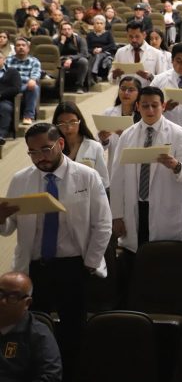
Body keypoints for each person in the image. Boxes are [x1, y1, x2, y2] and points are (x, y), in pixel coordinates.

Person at [0, 123, 110, 379]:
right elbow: (8, 228)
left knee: (73, 331)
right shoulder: (21, 179)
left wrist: (89, 263)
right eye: (33, 152)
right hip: (34, 267)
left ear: (60, 144)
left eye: (45, 150)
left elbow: (103, 224)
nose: (40, 157)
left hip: (74, 264)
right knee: (32, 329)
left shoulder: (86, 176)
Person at [109, 87, 182, 257]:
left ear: (163, 106)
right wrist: (117, 215)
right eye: (145, 105)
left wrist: (176, 166)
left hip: (165, 209)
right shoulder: (127, 135)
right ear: (137, 107)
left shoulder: (178, 134)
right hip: (135, 206)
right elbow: (117, 178)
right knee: (136, 256)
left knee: (162, 258)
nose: (150, 110)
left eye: (155, 105)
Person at [0, 271, 62, 382]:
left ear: (27, 303)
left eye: (12, 297)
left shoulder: (39, 334)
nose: (3, 301)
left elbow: (51, 376)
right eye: (0, 294)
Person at [52, 102, 109, 188]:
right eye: (62, 123)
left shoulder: (94, 147)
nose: (69, 128)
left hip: (89, 194)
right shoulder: (52, 148)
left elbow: (104, 181)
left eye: (73, 122)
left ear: (80, 122)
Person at [98, 76, 141, 173]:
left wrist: (125, 137)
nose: (126, 93)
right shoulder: (108, 113)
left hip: (136, 168)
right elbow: (99, 148)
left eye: (131, 90)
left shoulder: (143, 115)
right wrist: (104, 140)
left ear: (139, 93)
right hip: (114, 167)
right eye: (123, 89)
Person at [109, 22, 167, 87]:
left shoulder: (157, 53)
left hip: (147, 91)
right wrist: (114, 75)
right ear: (127, 35)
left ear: (144, 35)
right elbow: (111, 79)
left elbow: (163, 80)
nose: (134, 40)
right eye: (130, 36)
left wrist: (150, 77)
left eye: (137, 36)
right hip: (127, 91)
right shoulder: (120, 52)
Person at [6, 37, 41, 125]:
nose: (21, 47)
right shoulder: (8, 60)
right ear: (15, 49)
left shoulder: (34, 61)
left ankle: (28, 116)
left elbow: (36, 73)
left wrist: (33, 79)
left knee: (34, 87)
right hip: (10, 86)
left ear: (28, 48)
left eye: (23, 45)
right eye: (18, 45)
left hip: (25, 86)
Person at [86, 14, 117, 82]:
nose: (99, 25)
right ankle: (90, 78)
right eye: (97, 23)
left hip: (105, 53)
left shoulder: (108, 34)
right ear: (94, 25)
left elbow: (112, 45)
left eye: (101, 23)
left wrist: (101, 49)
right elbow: (87, 47)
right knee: (95, 56)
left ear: (104, 25)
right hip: (93, 53)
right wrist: (93, 50)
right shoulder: (90, 35)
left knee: (98, 55)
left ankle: (94, 72)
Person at [0, 51, 21, 143]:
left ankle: (1, 135)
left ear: (4, 60)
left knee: (4, 108)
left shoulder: (12, 72)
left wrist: (1, 94)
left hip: (5, 100)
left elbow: (16, 88)